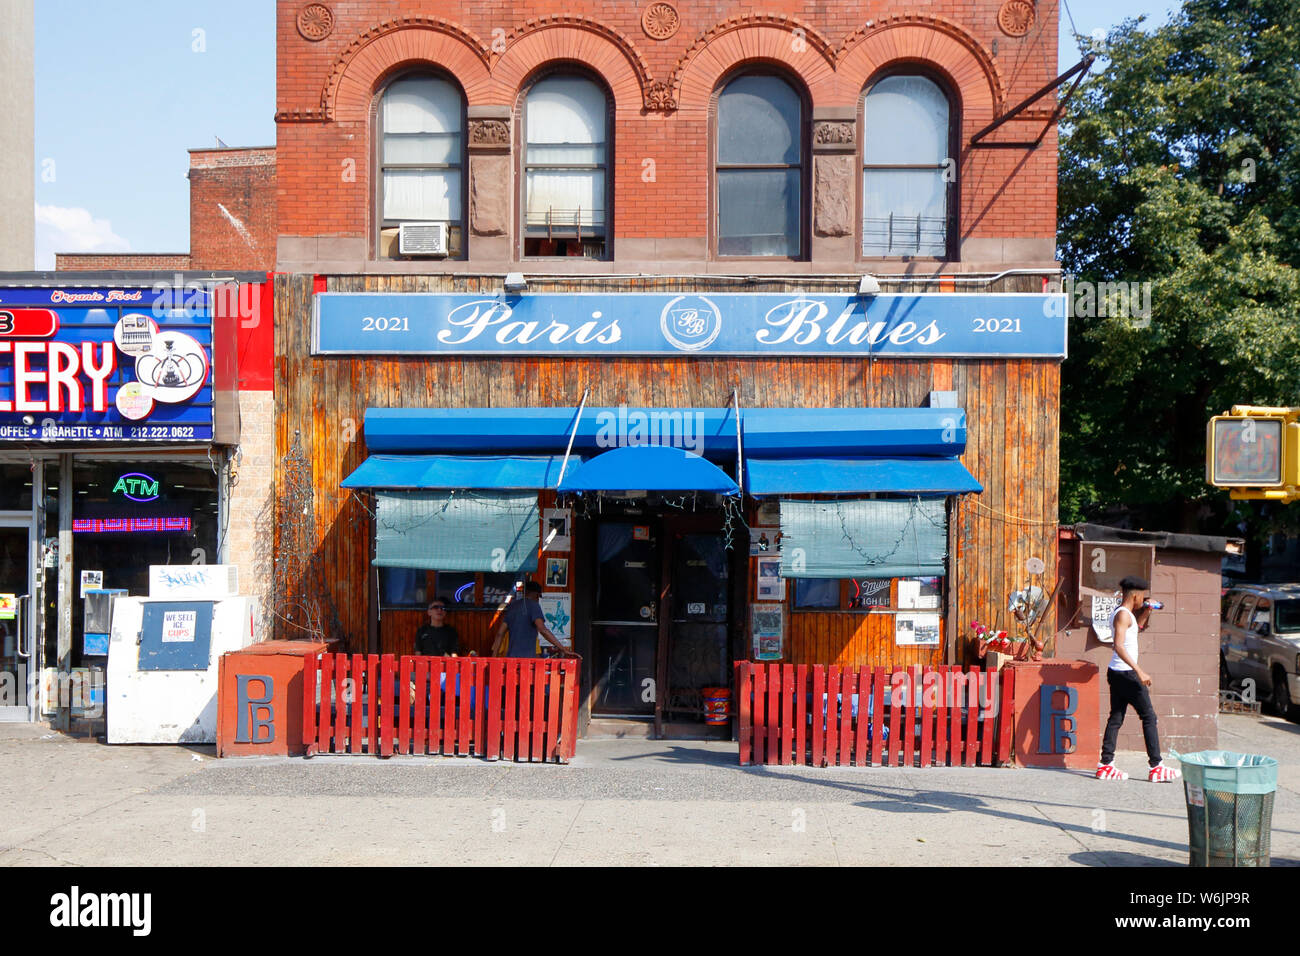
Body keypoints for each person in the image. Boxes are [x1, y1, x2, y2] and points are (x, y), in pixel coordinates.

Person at [1096, 575, 1181, 783]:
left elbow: (1138, 628)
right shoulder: (1123, 616)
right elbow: (1118, 645)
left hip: (1119, 672)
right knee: (1149, 717)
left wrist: (1147, 610)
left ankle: (1105, 765)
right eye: (1142, 596)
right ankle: (1156, 766)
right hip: (1126, 674)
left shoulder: (1128, 614)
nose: (1143, 598)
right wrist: (1139, 671)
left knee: (1116, 718)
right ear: (1135, 594)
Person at [492, 580, 572, 657]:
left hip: (511, 660)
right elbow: (543, 630)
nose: (538, 600)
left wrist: (493, 658)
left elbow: (500, 634)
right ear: (537, 595)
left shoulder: (512, 606)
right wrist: (563, 649)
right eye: (538, 597)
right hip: (526, 661)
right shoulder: (534, 606)